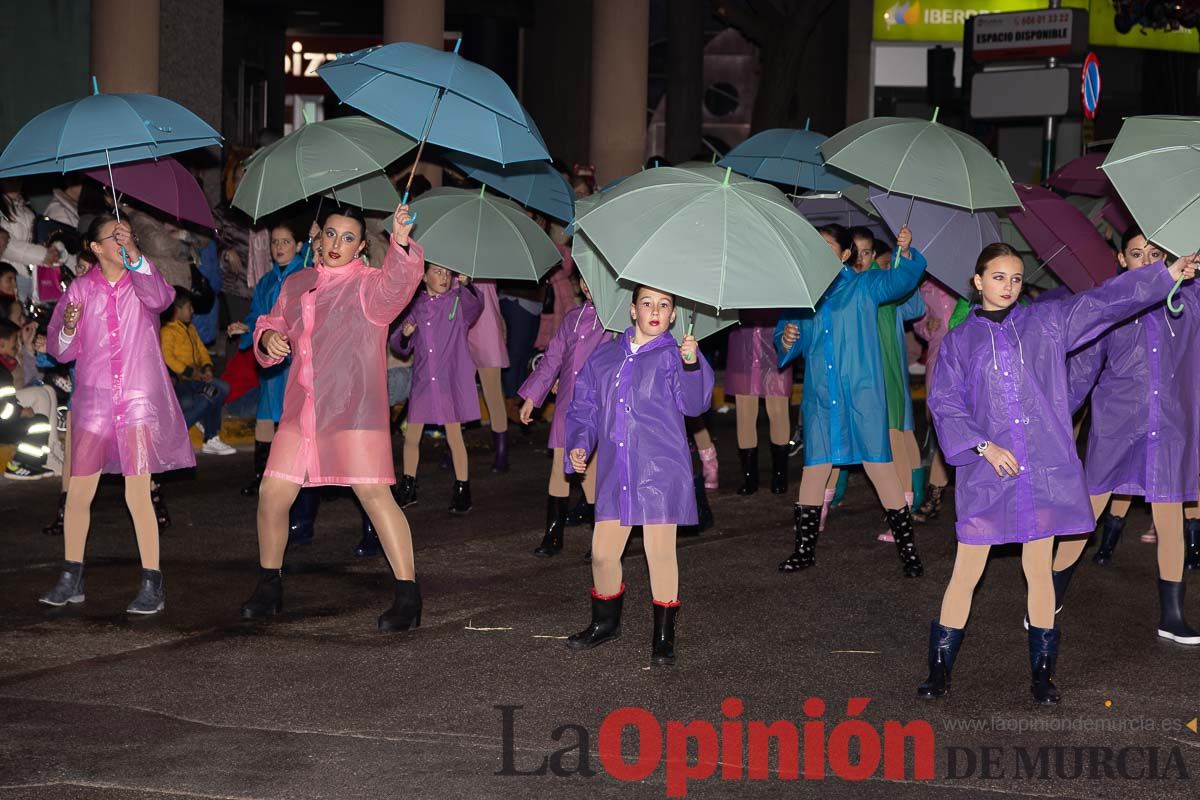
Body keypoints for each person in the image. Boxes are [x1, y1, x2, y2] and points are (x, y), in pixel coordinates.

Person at [920, 243, 1196, 705]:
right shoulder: (959, 343)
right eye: (997, 277)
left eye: (1014, 278)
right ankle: (940, 669)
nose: (1007, 287)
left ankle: (1043, 674)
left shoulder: (1046, 322)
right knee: (966, 571)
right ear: (978, 281)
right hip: (988, 476)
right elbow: (945, 404)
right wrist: (984, 446)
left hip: (1043, 471)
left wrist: (1165, 275)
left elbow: (1105, 301)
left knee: (1039, 572)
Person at [240, 203, 425, 632]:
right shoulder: (297, 283)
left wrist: (398, 239)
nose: (337, 244)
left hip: (353, 410)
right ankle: (269, 584)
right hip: (301, 410)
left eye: (348, 238)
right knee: (272, 494)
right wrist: (267, 339)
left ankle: (408, 596)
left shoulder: (370, 286)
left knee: (376, 497)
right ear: (318, 238)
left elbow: (400, 283)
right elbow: (271, 323)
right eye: (330, 234)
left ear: (362, 246)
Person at [1050, 228, 1200, 645]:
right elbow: (1080, 370)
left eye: (1155, 253)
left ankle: (1172, 615)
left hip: (1171, 426)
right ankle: (1051, 593)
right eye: (1136, 254)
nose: (1147, 261)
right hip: (1118, 426)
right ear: (1121, 260)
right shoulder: (1112, 303)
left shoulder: (1191, 300)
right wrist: (1054, 417)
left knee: (1170, 516)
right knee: (1088, 512)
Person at [41, 215, 195, 615]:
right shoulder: (79, 288)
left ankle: (152, 582)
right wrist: (70, 329)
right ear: (93, 247)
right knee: (78, 493)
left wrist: (137, 254)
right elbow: (60, 351)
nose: (121, 237)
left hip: (137, 402)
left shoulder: (141, 279)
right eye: (113, 234)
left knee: (138, 494)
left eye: (125, 231)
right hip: (93, 405)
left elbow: (162, 300)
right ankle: (71, 576)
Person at [563, 286, 714, 667]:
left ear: (674, 316)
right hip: (617, 471)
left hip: (661, 470)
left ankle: (663, 636)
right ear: (632, 311)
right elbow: (584, 408)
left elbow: (695, 404)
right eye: (647, 303)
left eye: (664, 305)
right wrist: (579, 444)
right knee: (601, 554)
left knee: (660, 553)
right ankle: (605, 623)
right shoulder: (605, 357)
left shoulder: (675, 355)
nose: (655, 310)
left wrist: (692, 364)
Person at [774, 224, 926, 578]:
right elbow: (784, 339)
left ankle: (909, 551)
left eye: (828, 247)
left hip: (863, 396)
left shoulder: (864, 286)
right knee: (815, 470)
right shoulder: (802, 297)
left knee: (880, 466)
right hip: (822, 399)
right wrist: (788, 337)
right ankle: (803, 550)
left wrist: (905, 252)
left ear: (845, 255)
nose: (820, 252)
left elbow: (899, 282)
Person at [518, 275, 611, 557]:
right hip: (567, 405)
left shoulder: (615, 325)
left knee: (590, 473)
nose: (587, 284)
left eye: (594, 278)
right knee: (559, 466)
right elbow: (553, 358)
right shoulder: (573, 318)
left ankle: (602, 539)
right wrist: (534, 396)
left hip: (596, 406)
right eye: (583, 278)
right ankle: (553, 534)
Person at [850, 227, 926, 541]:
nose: (862, 259)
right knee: (892, 437)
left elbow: (916, 306)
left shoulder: (881, 289)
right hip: (867, 376)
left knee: (897, 436)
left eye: (868, 253)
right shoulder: (849, 289)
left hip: (887, 375)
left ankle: (903, 511)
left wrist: (902, 260)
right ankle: (903, 506)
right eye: (857, 252)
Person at [391, 263, 484, 514]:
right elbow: (398, 345)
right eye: (437, 272)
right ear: (423, 277)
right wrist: (406, 335)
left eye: (447, 273)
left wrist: (467, 286)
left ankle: (463, 488)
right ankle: (409, 485)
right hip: (423, 380)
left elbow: (476, 306)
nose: (444, 278)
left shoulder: (457, 302)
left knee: (454, 436)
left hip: (447, 382)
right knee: (412, 436)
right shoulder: (416, 306)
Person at [227, 221, 312, 494]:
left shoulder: (307, 275)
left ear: (299, 245)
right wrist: (246, 328)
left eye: (286, 241)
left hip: (296, 357)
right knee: (266, 415)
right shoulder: (265, 281)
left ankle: (307, 477)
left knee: (298, 420)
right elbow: (258, 316)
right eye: (275, 242)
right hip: (270, 359)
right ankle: (262, 475)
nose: (279, 247)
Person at [161, 289, 236, 455]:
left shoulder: (191, 329)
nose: (192, 311)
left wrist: (207, 367)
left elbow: (202, 351)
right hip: (182, 380)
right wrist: (192, 373)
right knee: (214, 392)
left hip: (195, 377)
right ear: (177, 310)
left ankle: (208, 436)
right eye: (189, 307)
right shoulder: (167, 331)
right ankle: (209, 436)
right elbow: (169, 358)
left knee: (217, 391)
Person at [726, 309, 792, 496]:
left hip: (775, 341)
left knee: (778, 410)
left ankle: (780, 474)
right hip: (743, 343)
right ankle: (749, 476)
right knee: (745, 413)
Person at [912, 276, 959, 522]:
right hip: (938, 357)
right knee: (942, 426)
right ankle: (935, 494)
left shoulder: (968, 284)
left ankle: (938, 493)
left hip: (967, 357)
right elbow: (918, 320)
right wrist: (924, 326)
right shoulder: (924, 288)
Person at [467, 279, 511, 472]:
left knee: (492, 394)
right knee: (459, 393)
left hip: (486, 327)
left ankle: (502, 451)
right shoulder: (452, 259)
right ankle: (453, 448)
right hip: (460, 327)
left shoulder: (484, 257)